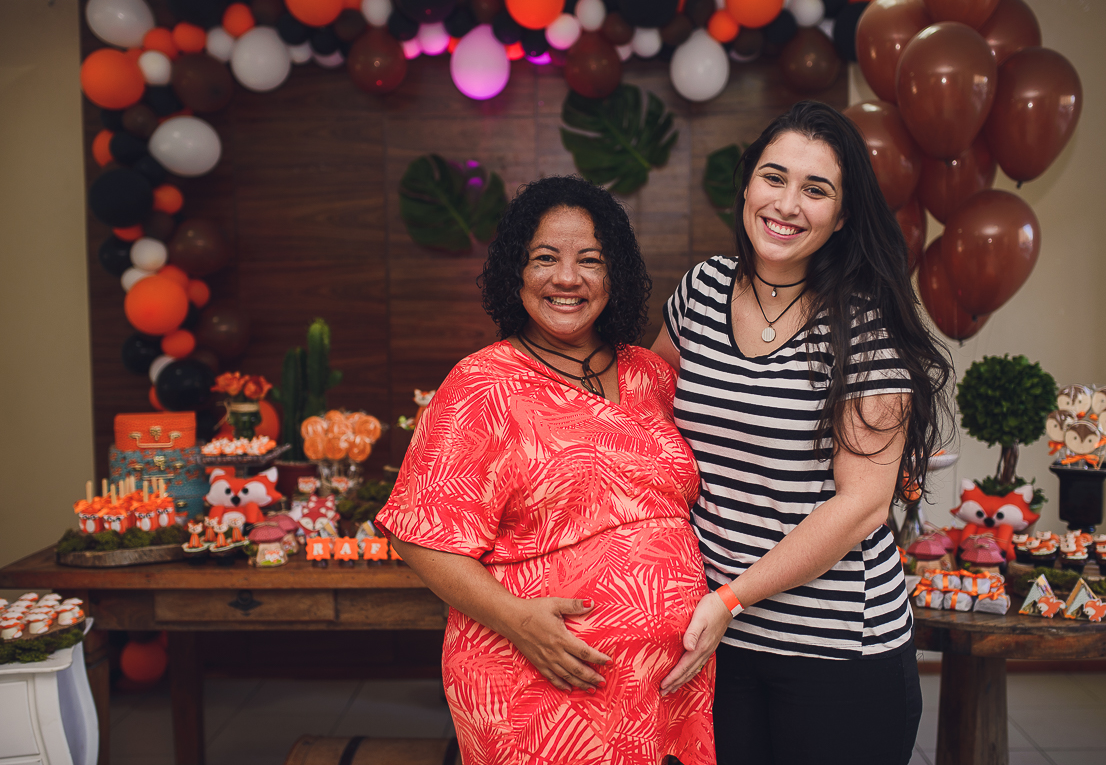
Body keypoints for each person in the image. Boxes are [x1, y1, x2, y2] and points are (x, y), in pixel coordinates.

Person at [651, 101, 953, 765]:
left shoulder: (865, 329)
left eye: (815, 190)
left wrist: (731, 597)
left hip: (837, 650)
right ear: (748, 186)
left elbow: (861, 506)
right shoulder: (701, 293)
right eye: (774, 178)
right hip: (717, 640)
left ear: (842, 216)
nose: (787, 204)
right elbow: (644, 421)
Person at [375, 175, 715, 765]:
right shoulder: (480, 385)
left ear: (617, 276)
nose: (567, 278)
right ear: (516, 273)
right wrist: (520, 622)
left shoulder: (652, 375)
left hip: (664, 692)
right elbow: (418, 534)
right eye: (544, 259)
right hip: (534, 680)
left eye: (590, 260)